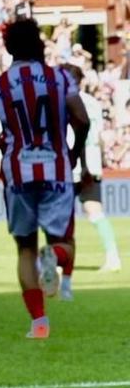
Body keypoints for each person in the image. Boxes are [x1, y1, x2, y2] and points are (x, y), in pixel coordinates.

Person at [0, 20, 92, 336]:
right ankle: (54, 256)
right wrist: (75, 151)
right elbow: (82, 119)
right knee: (63, 242)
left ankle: (39, 323)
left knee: (25, 249)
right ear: (38, 43)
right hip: (56, 169)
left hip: (18, 173)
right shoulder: (60, 78)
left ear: (9, 47)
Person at [72, 65, 122, 273]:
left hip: (70, 163)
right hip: (91, 163)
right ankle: (113, 256)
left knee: (59, 215)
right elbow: (100, 136)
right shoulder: (93, 102)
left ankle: (59, 262)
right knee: (95, 211)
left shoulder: (61, 101)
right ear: (81, 81)